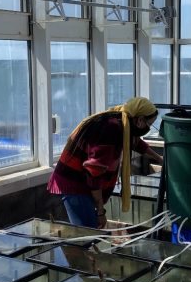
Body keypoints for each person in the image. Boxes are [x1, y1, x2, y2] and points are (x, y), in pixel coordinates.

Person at [48, 97, 164, 229]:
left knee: (89, 232)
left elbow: (136, 143)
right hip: (75, 183)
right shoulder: (111, 129)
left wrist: (159, 159)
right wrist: (100, 211)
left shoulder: (123, 121)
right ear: (139, 120)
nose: (148, 128)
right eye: (149, 124)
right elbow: (94, 172)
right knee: (87, 233)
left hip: (84, 182)